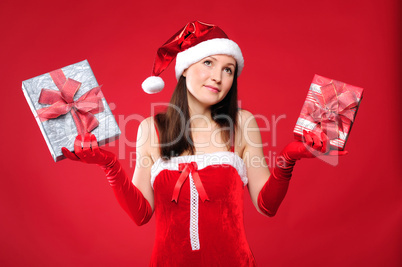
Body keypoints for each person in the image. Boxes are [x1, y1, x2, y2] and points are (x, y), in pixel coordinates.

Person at [62, 21, 347, 266]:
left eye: (228, 69)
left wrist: (288, 157)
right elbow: (141, 215)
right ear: (185, 69)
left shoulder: (242, 124)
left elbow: (266, 206)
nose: (218, 77)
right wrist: (109, 165)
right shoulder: (152, 129)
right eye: (208, 63)